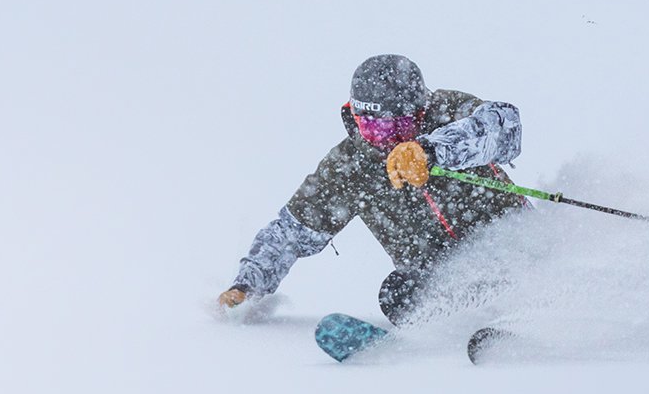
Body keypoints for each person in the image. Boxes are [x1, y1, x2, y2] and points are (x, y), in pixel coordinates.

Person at [217, 54, 527, 324]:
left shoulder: (446, 110)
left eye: (399, 127)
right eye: (373, 128)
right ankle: (453, 328)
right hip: (444, 280)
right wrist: (245, 286)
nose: (387, 139)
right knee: (398, 293)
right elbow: (289, 233)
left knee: (520, 263)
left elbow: (505, 125)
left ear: (421, 112)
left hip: (515, 249)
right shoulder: (350, 167)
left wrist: (431, 150)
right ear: (354, 117)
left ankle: (529, 304)